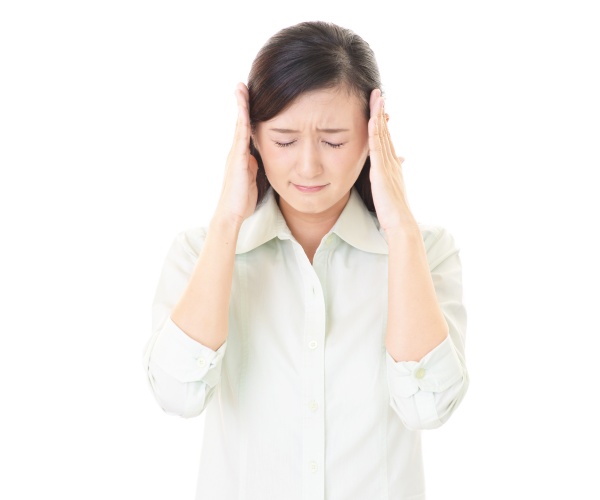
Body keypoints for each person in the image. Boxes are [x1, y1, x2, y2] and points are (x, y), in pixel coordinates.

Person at [143, 20, 469, 500]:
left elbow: (429, 407)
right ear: (250, 136)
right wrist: (228, 221)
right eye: (284, 140)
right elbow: (176, 393)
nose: (309, 166)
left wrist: (400, 230)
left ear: (373, 132)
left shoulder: (426, 250)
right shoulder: (200, 251)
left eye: (334, 140)